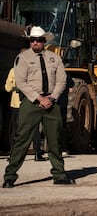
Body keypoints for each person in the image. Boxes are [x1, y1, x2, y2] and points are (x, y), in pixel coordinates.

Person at [3, 26, 75, 188]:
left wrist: (53, 97)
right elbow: (21, 82)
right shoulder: (22, 58)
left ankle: (59, 174)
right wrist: (38, 98)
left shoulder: (54, 58)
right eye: (32, 40)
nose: (35, 42)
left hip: (51, 101)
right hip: (31, 102)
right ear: (30, 41)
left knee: (55, 139)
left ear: (44, 41)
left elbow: (62, 80)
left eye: (39, 40)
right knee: (22, 139)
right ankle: (10, 176)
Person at [4, 48, 47, 162]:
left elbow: (7, 88)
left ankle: (13, 154)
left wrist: (16, 88)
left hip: (16, 104)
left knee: (16, 130)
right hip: (30, 104)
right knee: (34, 129)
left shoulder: (13, 71)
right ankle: (37, 153)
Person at [57, 72, 75, 156]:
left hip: (51, 103)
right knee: (62, 125)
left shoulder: (49, 73)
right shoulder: (65, 74)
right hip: (62, 103)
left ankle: (53, 148)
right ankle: (63, 148)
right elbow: (71, 89)